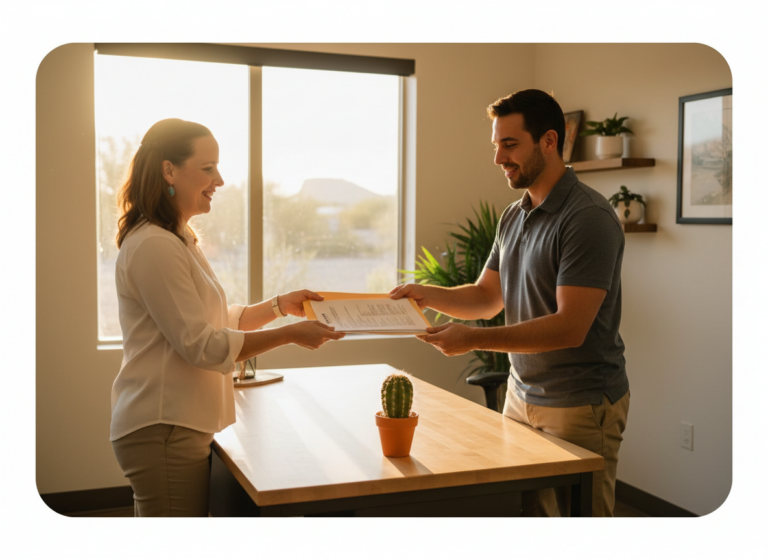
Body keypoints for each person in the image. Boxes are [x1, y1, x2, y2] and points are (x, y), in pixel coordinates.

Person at [390, 90, 629, 517]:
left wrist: (471, 340)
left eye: (510, 144)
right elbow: (485, 297)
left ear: (549, 141)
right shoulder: (513, 216)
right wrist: (427, 294)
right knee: (532, 516)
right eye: (496, 145)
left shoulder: (588, 217)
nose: (498, 157)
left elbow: (569, 327)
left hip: (579, 402)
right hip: (521, 395)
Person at [110, 118, 345, 517]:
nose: (219, 179)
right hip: (164, 426)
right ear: (169, 170)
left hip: (175, 425)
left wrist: (278, 306)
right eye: (207, 168)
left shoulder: (177, 238)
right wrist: (290, 335)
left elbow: (218, 319)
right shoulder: (154, 245)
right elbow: (202, 345)